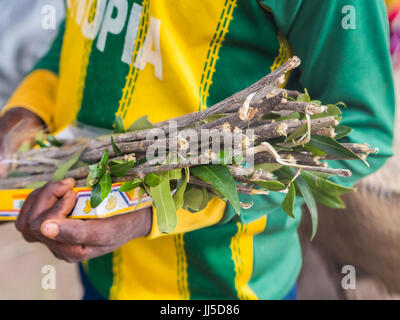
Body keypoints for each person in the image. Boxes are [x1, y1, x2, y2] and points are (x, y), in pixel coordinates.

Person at [0, 0, 395, 300]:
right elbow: (80, 30)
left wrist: (161, 205)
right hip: (102, 273)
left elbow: (361, 129)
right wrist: (28, 111)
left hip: (221, 287)